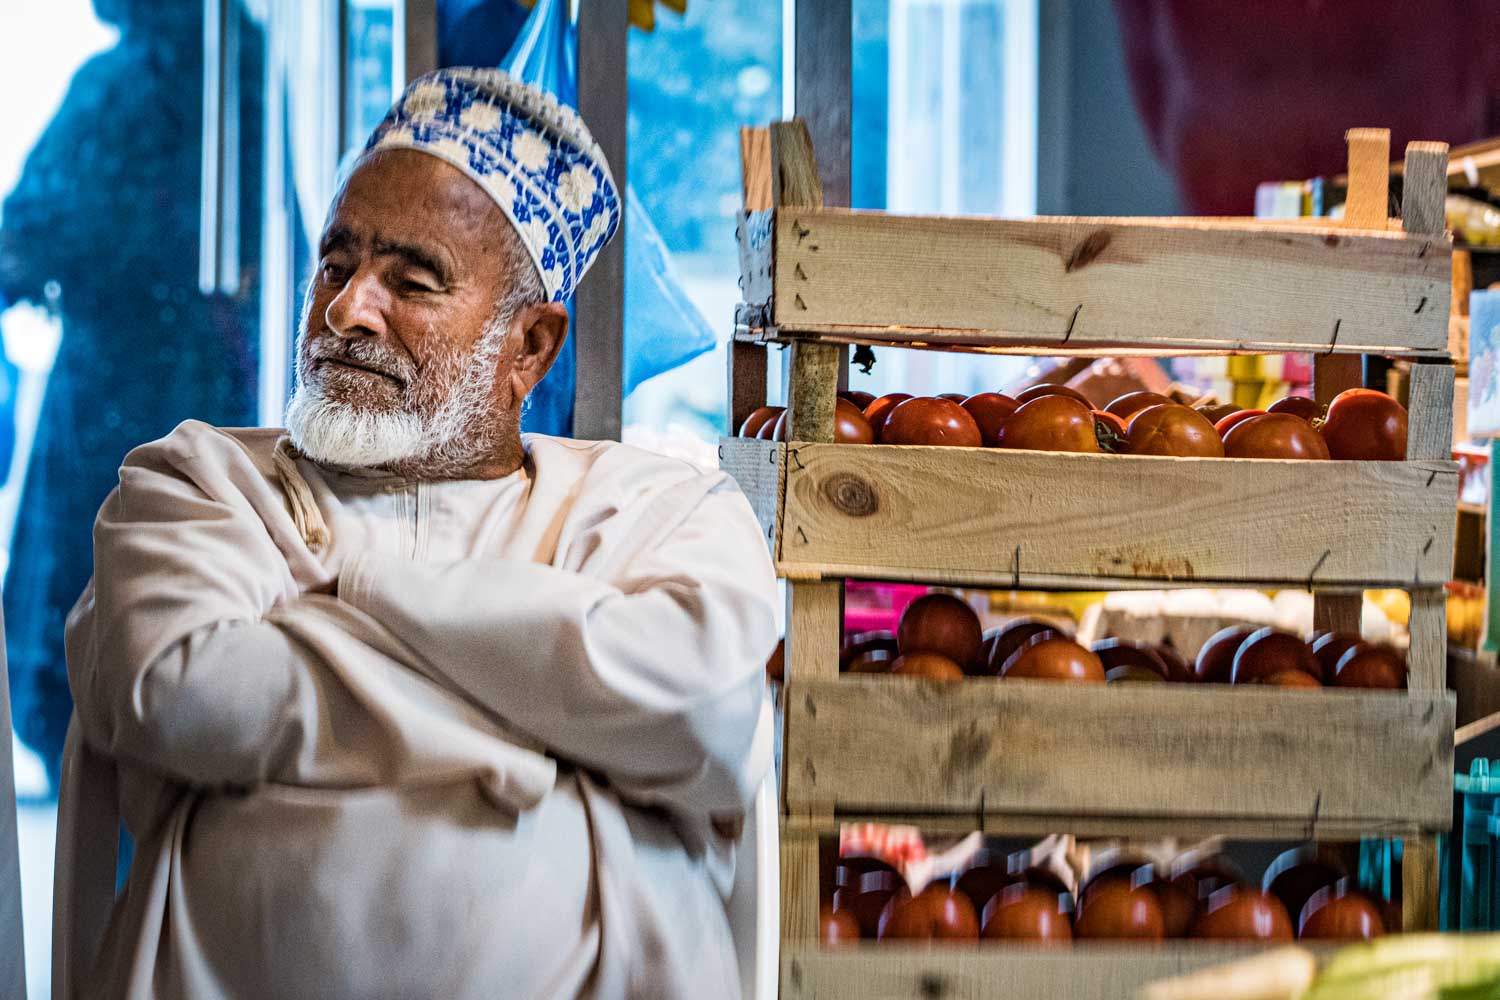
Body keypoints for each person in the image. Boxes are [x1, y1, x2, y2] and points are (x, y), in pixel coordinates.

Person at [63, 68, 777, 999]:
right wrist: (554, 719)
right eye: (336, 263)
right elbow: (181, 692)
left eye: (412, 280)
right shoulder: (200, 482)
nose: (347, 309)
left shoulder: (655, 512)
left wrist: (352, 596)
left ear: (531, 347)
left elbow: (708, 712)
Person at [0, 0, 261, 786]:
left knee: (78, 640)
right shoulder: (249, 69)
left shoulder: (122, 82)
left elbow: (29, 232)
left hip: (113, 395)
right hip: (219, 394)